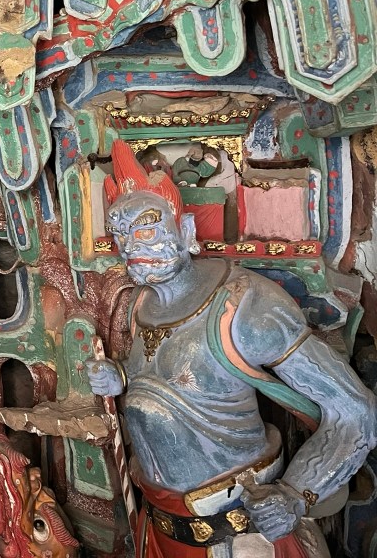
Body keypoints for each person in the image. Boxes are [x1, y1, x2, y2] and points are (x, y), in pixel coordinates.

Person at [86, 141, 377, 558]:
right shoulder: (139, 304)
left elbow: (356, 411)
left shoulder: (243, 306)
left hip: (237, 535)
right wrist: (122, 377)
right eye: (120, 235)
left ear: (187, 232)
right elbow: (180, 380)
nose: (131, 246)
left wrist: (296, 494)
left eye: (147, 229)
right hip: (158, 526)